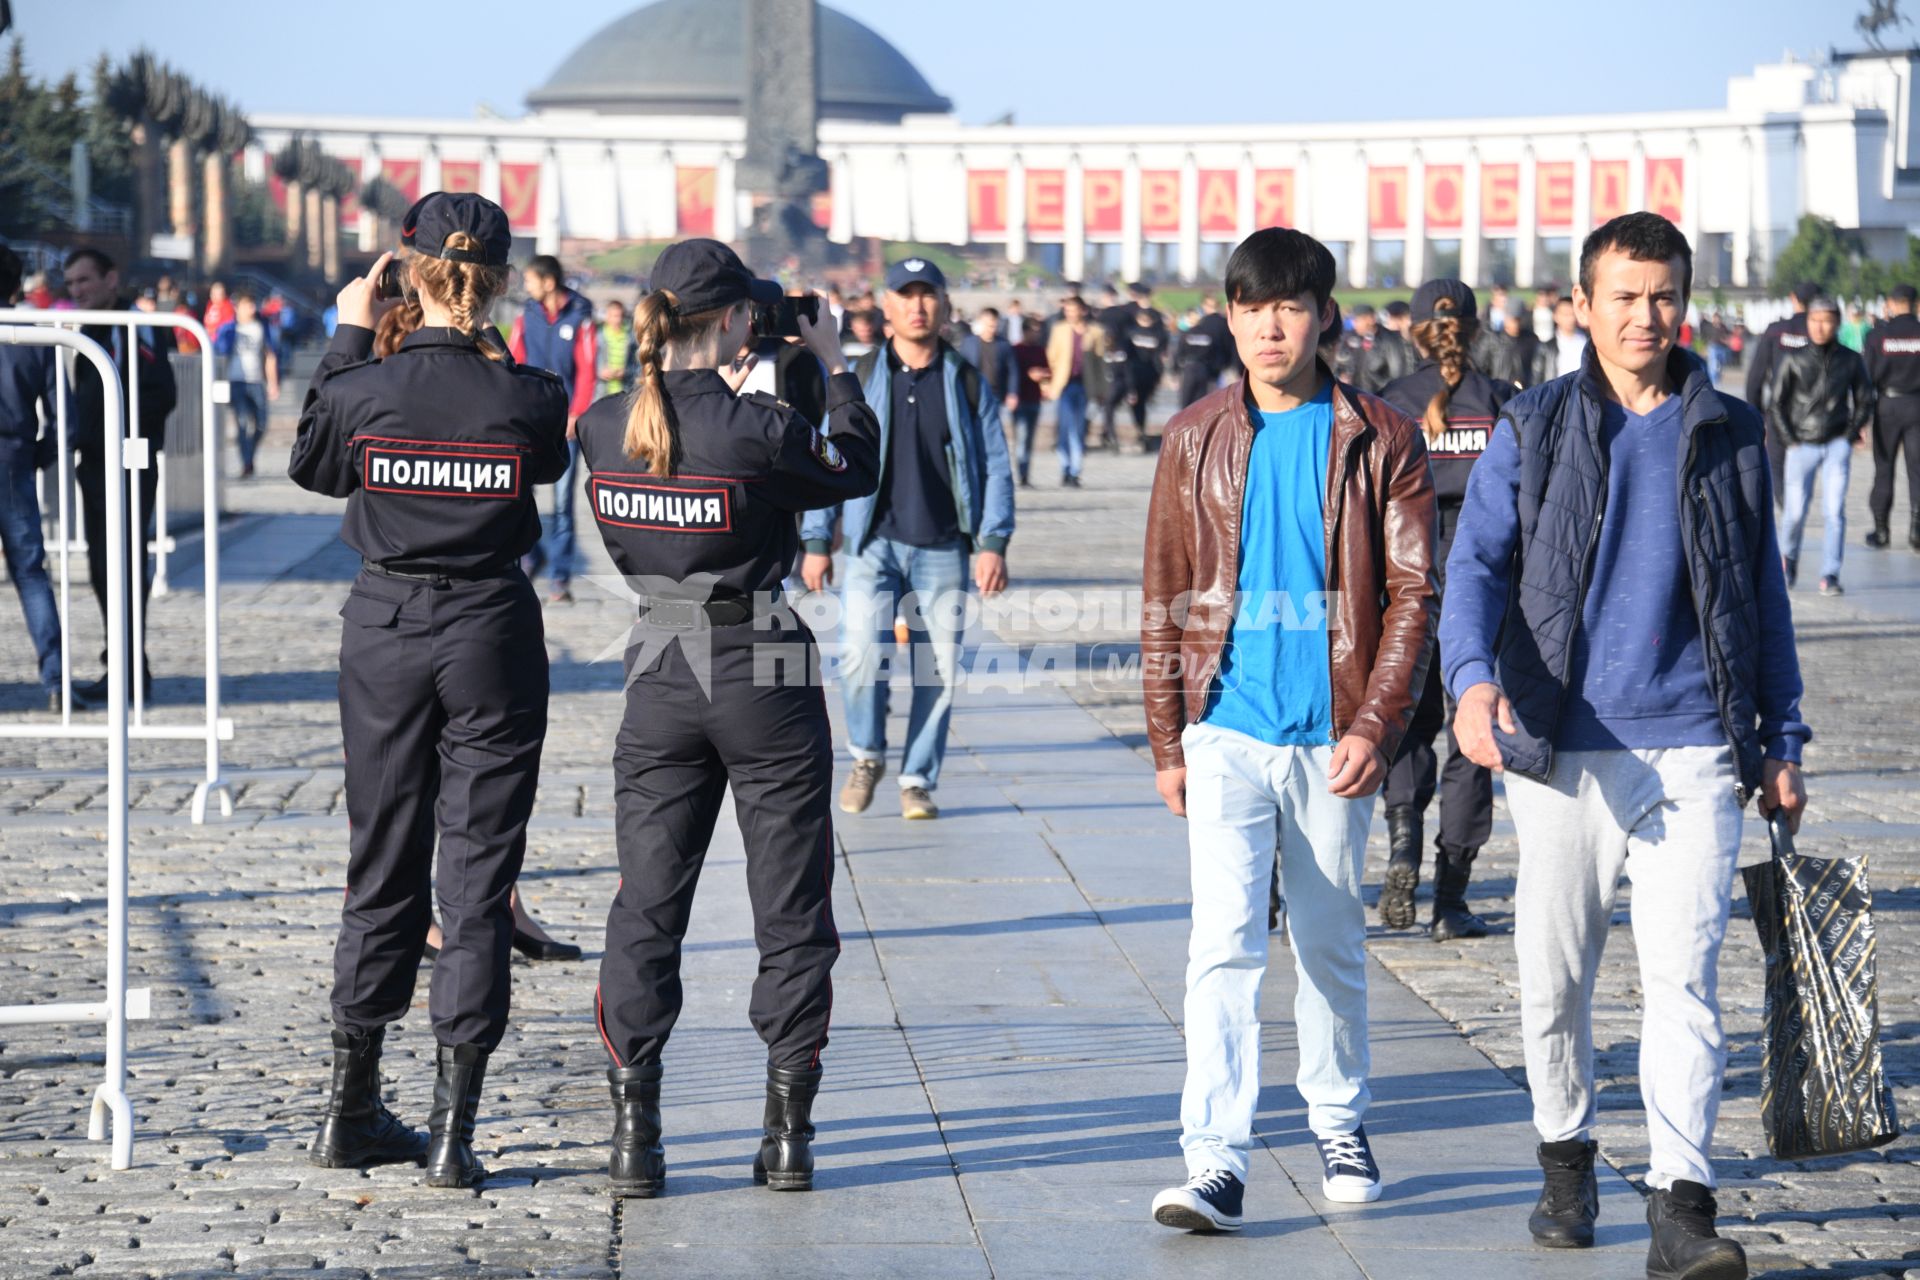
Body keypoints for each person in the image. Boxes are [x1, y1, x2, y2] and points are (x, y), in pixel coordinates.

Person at [1444, 212, 1809, 1278]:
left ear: (1685, 303)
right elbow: (1474, 567)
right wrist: (1471, 685)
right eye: (1625, 296)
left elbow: (1764, 600)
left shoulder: (1733, 431)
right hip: (1559, 744)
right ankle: (1565, 1155)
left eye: (1663, 296)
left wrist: (1780, 738)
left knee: (1684, 980)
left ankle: (1681, 1202)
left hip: (1695, 745)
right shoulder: (1537, 422)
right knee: (1553, 979)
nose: (1646, 315)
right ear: (1584, 306)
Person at [1141, 227, 1436, 1233]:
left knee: (1327, 940)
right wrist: (1167, 738)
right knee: (1221, 944)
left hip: (1332, 734)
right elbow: (1166, 592)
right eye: (1252, 305)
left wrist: (1377, 720)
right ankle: (1214, 1159)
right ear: (1228, 316)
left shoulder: (1381, 436)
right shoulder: (1193, 436)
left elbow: (1410, 594)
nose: (1271, 324)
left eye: (1291, 305)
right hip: (1227, 726)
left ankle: (1339, 1116)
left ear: (1325, 317)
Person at [574, 239, 879, 1198]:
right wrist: (831, 364)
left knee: (646, 904)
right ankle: (787, 1136)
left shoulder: (602, 424)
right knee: (790, 904)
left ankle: (636, 1139)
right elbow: (856, 464)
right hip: (763, 643)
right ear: (741, 322)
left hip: (660, 648)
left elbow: (672, 426)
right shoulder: (763, 426)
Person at [288, 193, 570, 1190]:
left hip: (387, 625)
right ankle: (454, 1131)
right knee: (478, 877)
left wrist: (351, 335)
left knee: (382, 861)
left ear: (408, 272)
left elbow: (313, 464)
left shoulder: (365, 387)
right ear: (495, 280)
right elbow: (547, 454)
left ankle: (350, 1106)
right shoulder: (528, 394)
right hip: (490, 625)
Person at [799, 257, 1016, 821]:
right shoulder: (862, 374)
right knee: (859, 656)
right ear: (886, 306)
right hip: (873, 544)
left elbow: (996, 464)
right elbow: (828, 455)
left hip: (943, 547)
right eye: (906, 295)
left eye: (928, 295)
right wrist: (818, 540)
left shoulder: (966, 381)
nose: (917, 305)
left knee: (937, 670)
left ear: (945, 306)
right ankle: (867, 755)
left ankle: (917, 778)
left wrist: (992, 541)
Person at [1375, 281, 1508, 938]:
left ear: (1414, 331)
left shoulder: (1387, 406)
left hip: (1408, 589)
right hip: (1483, 593)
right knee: (1472, 736)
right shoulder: (1504, 403)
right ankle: (1450, 899)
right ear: (1475, 331)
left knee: (1406, 728)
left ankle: (1402, 848)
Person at [61, 247, 177, 703]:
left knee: (123, 566)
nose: (77, 291)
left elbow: (160, 393)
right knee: (100, 567)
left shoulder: (136, 324)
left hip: (128, 461)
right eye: (70, 284)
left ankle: (128, 670)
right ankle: (125, 665)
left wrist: (123, 435)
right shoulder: (90, 324)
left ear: (111, 278)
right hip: (92, 462)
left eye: (84, 281)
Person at [0, 245, 74, 710]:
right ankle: (55, 679)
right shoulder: (33, 333)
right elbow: (62, 414)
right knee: (29, 572)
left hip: (16, 455)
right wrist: (39, 455)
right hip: (13, 457)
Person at [1769, 296, 1875, 595]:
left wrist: (1849, 435)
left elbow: (1865, 399)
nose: (1820, 326)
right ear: (1807, 323)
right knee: (1794, 512)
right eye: (1815, 320)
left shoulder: (1851, 359)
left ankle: (1830, 573)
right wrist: (1790, 440)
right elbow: (1776, 403)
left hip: (1836, 444)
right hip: (1800, 444)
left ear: (1837, 324)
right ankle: (1787, 560)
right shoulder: (1793, 358)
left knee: (1834, 511)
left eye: (1827, 320)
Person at [508, 254, 598, 604]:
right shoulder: (525, 315)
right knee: (519, 496)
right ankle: (530, 556)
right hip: (529, 422)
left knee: (562, 503)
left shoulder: (580, 315)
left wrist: (577, 414)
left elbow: (587, 367)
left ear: (548, 281)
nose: (526, 286)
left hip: (564, 425)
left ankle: (560, 578)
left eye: (530, 280)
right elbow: (512, 361)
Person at [1864, 282, 1920, 551]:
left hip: (1886, 406)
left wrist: (1861, 417)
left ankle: (1881, 529)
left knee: (1884, 469)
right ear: (1915, 304)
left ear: (1891, 303)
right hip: (1917, 405)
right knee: (1917, 471)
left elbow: (1867, 378)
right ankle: (1917, 530)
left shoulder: (1877, 336)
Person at [1746, 281, 1816, 497]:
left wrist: (1756, 413)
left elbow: (1756, 376)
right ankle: (1797, 505)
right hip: (1812, 408)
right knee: (1805, 466)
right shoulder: (1820, 332)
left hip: (1779, 407)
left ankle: (1787, 508)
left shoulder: (1776, 331)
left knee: (1776, 465)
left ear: (1793, 298)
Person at [211, 290, 281, 479]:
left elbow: (270, 356)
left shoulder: (261, 327)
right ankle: (247, 463)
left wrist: (273, 383)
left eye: (253, 305)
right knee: (242, 422)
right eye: (247, 305)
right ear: (237, 307)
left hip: (256, 381)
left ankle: (248, 454)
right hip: (236, 381)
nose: (251, 309)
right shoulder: (228, 329)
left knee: (261, 424)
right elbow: (219, 355)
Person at [1042, 294, 1106, 487]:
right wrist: (1046, 383)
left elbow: (1099, 363)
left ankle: (1075, 471)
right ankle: (1065, 467)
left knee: (1079, 428)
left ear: (1082, 311)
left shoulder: (1095, 332)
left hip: (1084, 385)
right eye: (1067, 310)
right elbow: (1050, 358)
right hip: (1064, 385)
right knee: (1064, 427)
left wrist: (1101, 389)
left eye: (1073, 310)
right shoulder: (1059, 330)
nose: (1070, 314)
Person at [1174, 294, 1234, 408]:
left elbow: (1180, 351)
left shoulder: (1200, 326)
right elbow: (1231, 345)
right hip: (1218, 366)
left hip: (1203, 367)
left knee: (1191, 400)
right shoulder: (1225, 322)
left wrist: (1176, 370)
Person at [1009, 318, 1048, 487]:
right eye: (1033, 330)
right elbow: (1012, 374)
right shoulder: (1015, 350)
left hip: (1035, 399)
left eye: (1038, 330)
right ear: (1024, 331)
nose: (1036, 333)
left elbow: (1048, 370)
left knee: (1030, 439)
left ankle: (1026, 473)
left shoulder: (1040, 350)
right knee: (1022, 437)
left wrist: (1043, 374)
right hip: (1020, 399)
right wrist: (1028, 374)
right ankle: (1021, 474)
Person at [1474, 303, 1538, 390]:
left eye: (1518, 320)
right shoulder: (1491, 340)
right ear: (1505, 318)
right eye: (1512, 320)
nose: (1515, 324)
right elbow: (1480, 367)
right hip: (1498, 391)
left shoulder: (1530, 339)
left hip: (1524, 392)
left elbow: (1536, 369)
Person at [1531, 296, 1589, 384]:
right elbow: (1536, 379)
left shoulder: (1588, 342)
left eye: (1572, 314)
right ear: (1555, 316)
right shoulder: (1546, 347)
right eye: (1565, 314)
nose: (1570, 318)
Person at [1365, 300, 1417, 392]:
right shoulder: (1386, 341)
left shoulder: (1417, 340)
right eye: (1408, 317)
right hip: (1394, 398)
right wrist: (1391, 388)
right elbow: (1372, 370)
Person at [597, 297, 636, 396]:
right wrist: (599, 372)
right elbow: (587, 364)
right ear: (607, 316)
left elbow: (638, 366)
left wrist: (626, 372)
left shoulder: (631, 338)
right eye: (614, 316)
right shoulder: (598, 337)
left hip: (625, 391)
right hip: (602, 392)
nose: (618, 320)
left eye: (620, 316)